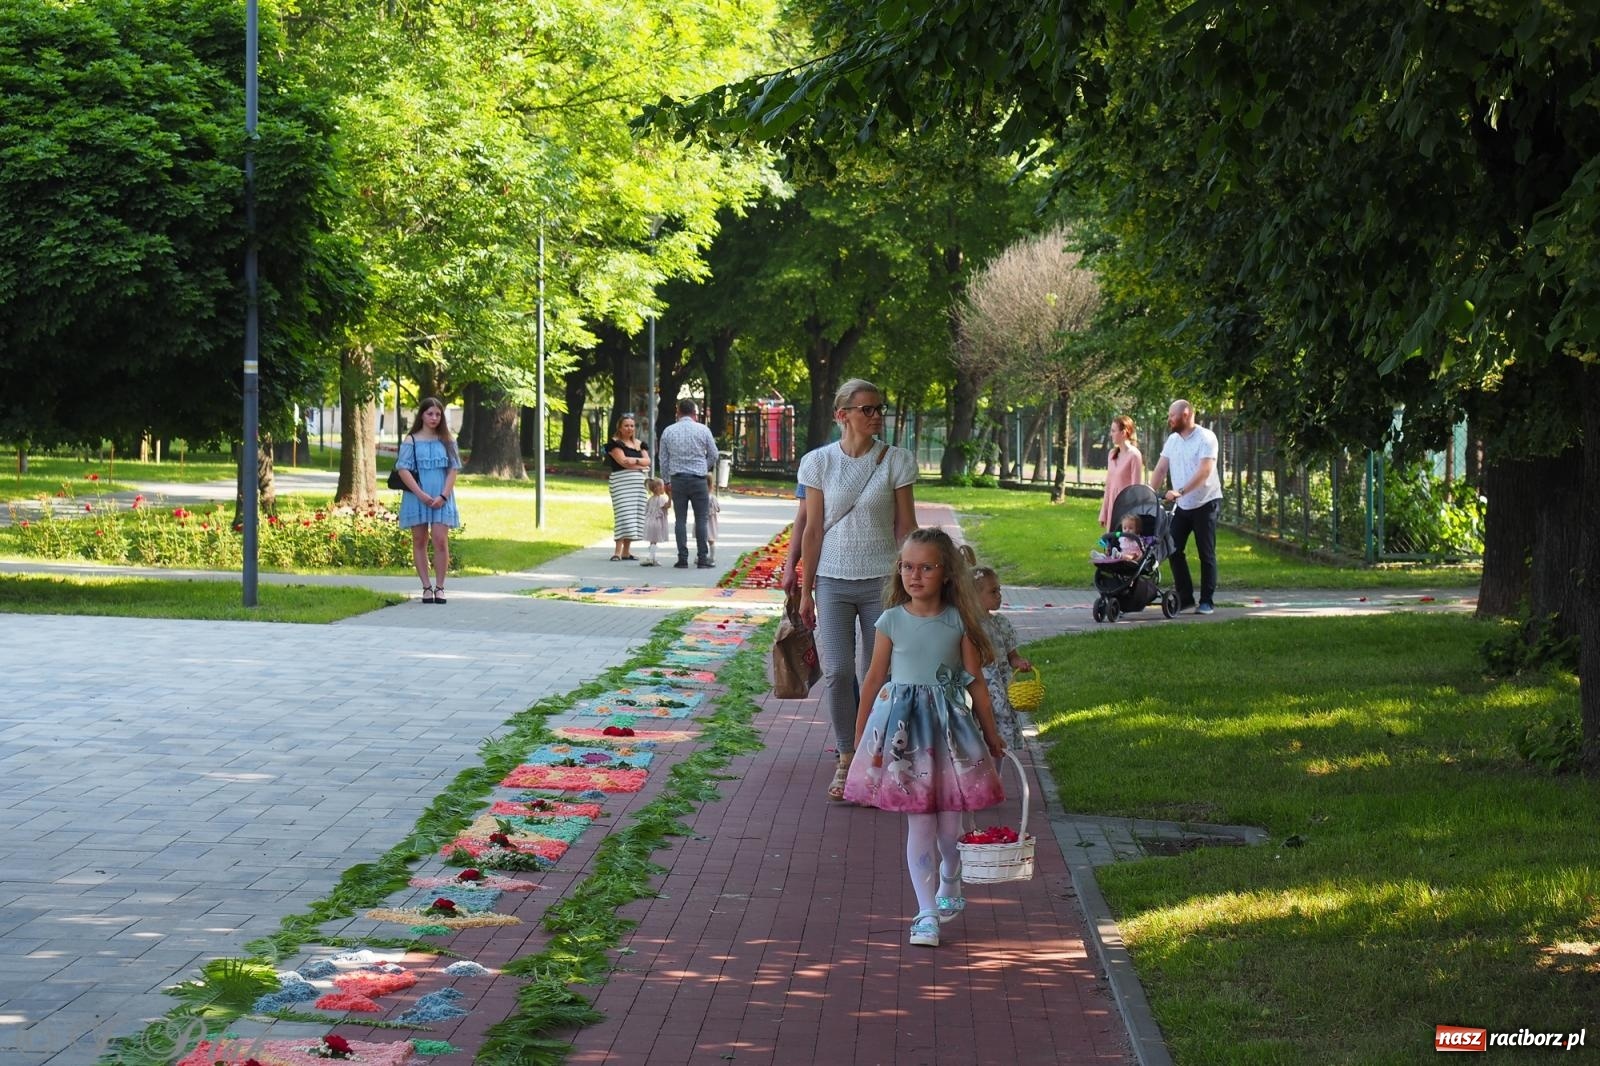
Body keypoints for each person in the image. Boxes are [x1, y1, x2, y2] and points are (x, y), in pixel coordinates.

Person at [841, 528, 1006, 949]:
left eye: (926, 568)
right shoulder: (891, 620)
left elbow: (976, 684)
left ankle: (951, 874)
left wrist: (992, 734)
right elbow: (873, 679)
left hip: (950, 735)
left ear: (946, 572)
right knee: (920, 822)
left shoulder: (958, 622)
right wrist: (861, 738)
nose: (914, 576)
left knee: (950, 830)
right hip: (906, 738)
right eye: (907, 567)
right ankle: (926, 913)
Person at [796, 379, 918, 801]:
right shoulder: (818, 462)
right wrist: (805, 590)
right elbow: (813, 530)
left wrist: (912, 579)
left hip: (882, 583)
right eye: (867, 409)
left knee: (878, 675)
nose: (876, 416)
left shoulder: (897, 460)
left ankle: (875, 755)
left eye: (879, 408)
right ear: (842, 415)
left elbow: (906, 527)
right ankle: (847, 756)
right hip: (832, 582)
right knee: (837, 672)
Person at [1148, 399, 1222, 614]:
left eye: (1172, 415)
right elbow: (1161, 469)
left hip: (1206, 503)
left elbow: (1205, 471)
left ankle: (1207, 601)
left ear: (1186, 414)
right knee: (1173, 548)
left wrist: (1180, 491)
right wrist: (1149, 492)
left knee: (1206, 553)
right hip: (1183, 506)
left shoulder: (1206, 438)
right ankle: (1186, 597)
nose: (1169, 419)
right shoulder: (1173, 440)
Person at [394, 397, 461, 604]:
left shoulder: (447, 440)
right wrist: (420, 494)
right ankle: (426, 587)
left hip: (442, 497)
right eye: (430, 413)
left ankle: (440, 587)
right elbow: (403, 469)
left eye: (438, 414)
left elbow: (453, 469)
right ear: (422, 415)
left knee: (440, 540)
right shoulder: (411, 440)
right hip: (417, 496)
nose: (434, 418)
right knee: (419, 540)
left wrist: (443, 495)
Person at [970, 565, 1034, 749]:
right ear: (973, 596)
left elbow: (1011, 655)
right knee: (983, 723)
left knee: (1004, 723)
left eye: (999, 590)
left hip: (1002, 685)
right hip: (981, 685)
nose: (999, 595)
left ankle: (1004, 758)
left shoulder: (1001, 623)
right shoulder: (968, 626)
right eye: (993, 591)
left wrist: (1018, 662)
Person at [656, 397, 719, 569]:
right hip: (699, 480)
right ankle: (702, 558)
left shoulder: (668, 431)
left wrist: (666, 480)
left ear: (678, 412)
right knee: (701, 519)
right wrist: (702, 467)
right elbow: (714, 454)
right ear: (694, 413)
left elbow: (663, 459)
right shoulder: (703, 430)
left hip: (678, 480)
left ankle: (682, 558)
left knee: (680, 520)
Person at [603, 413, 650, 561]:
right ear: (620, 427)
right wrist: (640, 464)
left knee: (634, 515)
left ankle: (626, 551)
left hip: (638, 485)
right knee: (623, 514)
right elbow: (623, 462)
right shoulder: (614, 444)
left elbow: (648, 461)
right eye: (626, 426)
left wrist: (634, 461)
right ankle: (617, 552)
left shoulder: (639, 444)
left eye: (632, 426)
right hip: (621, 482)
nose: (629, 428)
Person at [1099, 415, 1144, 531]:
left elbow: (1136, 488)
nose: (1111, 434)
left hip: (1126, 511)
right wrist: (1104, 513)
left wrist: (1132, 517)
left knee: (1124, 540)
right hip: (1112, 506)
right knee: (1111, 540)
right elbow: (1109, 486)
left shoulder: (1134, 455)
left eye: (1113, 431)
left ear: (1123, 433)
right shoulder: (1112, 454)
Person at [638, 478, 670, 566]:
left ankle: (653, 558)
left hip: (649, 522)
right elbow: (668, 506)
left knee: (653, 540)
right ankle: (651, 558)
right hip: (657, 523)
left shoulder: (650, 499)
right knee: (654, 541)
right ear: (658, 488)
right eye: (663, 486)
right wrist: (670, 496)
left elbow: (646, 510)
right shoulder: (661, 499)